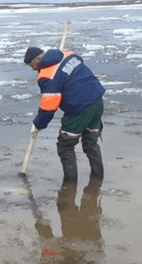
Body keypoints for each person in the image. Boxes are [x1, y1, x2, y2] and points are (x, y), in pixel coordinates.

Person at [23, 46, 105, 183]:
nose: (33, 69)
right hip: (97, 100)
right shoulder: (66, 55)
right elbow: (79, 60)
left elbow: (49, 106)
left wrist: (38, 124)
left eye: (33, 65)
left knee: (65, 146)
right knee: (91, 143)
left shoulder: (48, 76)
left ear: (37, 59)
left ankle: (69, 186)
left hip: (80, 108)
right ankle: (98, 179)